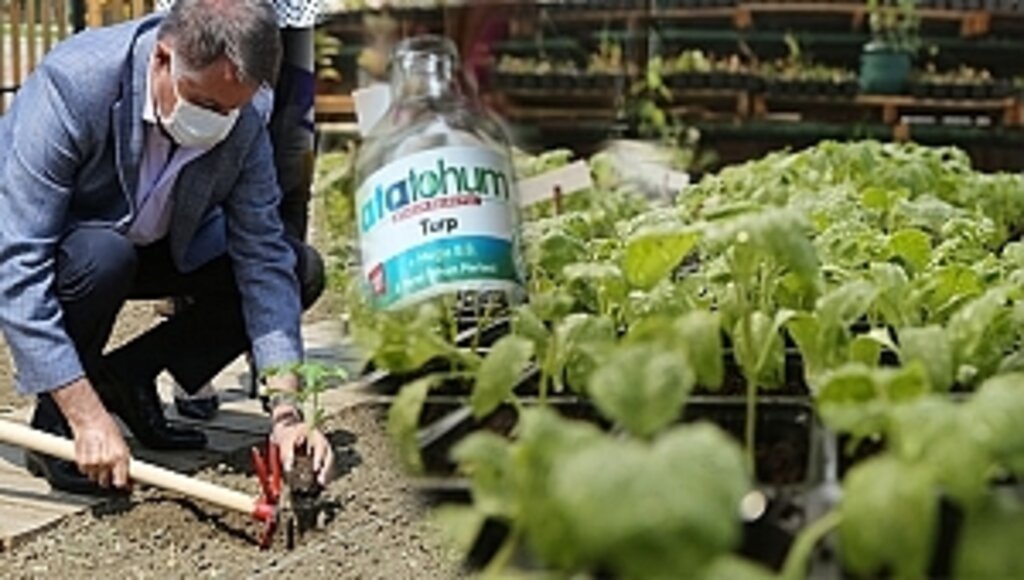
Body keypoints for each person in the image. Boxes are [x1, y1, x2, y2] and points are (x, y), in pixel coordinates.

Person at [0, 0, 333, 495]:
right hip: (75, 249)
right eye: (206, 104)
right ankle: (58, 425)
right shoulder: (75, 84)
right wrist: (87, 416)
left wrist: (286, 411)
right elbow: (18, 264)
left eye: (231, 109)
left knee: (298, 267)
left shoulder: (244, 114)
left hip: (163, 240)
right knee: (102, 257)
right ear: (162, 59)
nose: (219, 122)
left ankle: (128, 378)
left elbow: (263, 256)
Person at [153, 0, 320, 421]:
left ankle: (272, 356)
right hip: (202, 13)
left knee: (291, 172)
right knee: (192, 173)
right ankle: (191, 366)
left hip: (288, 15)